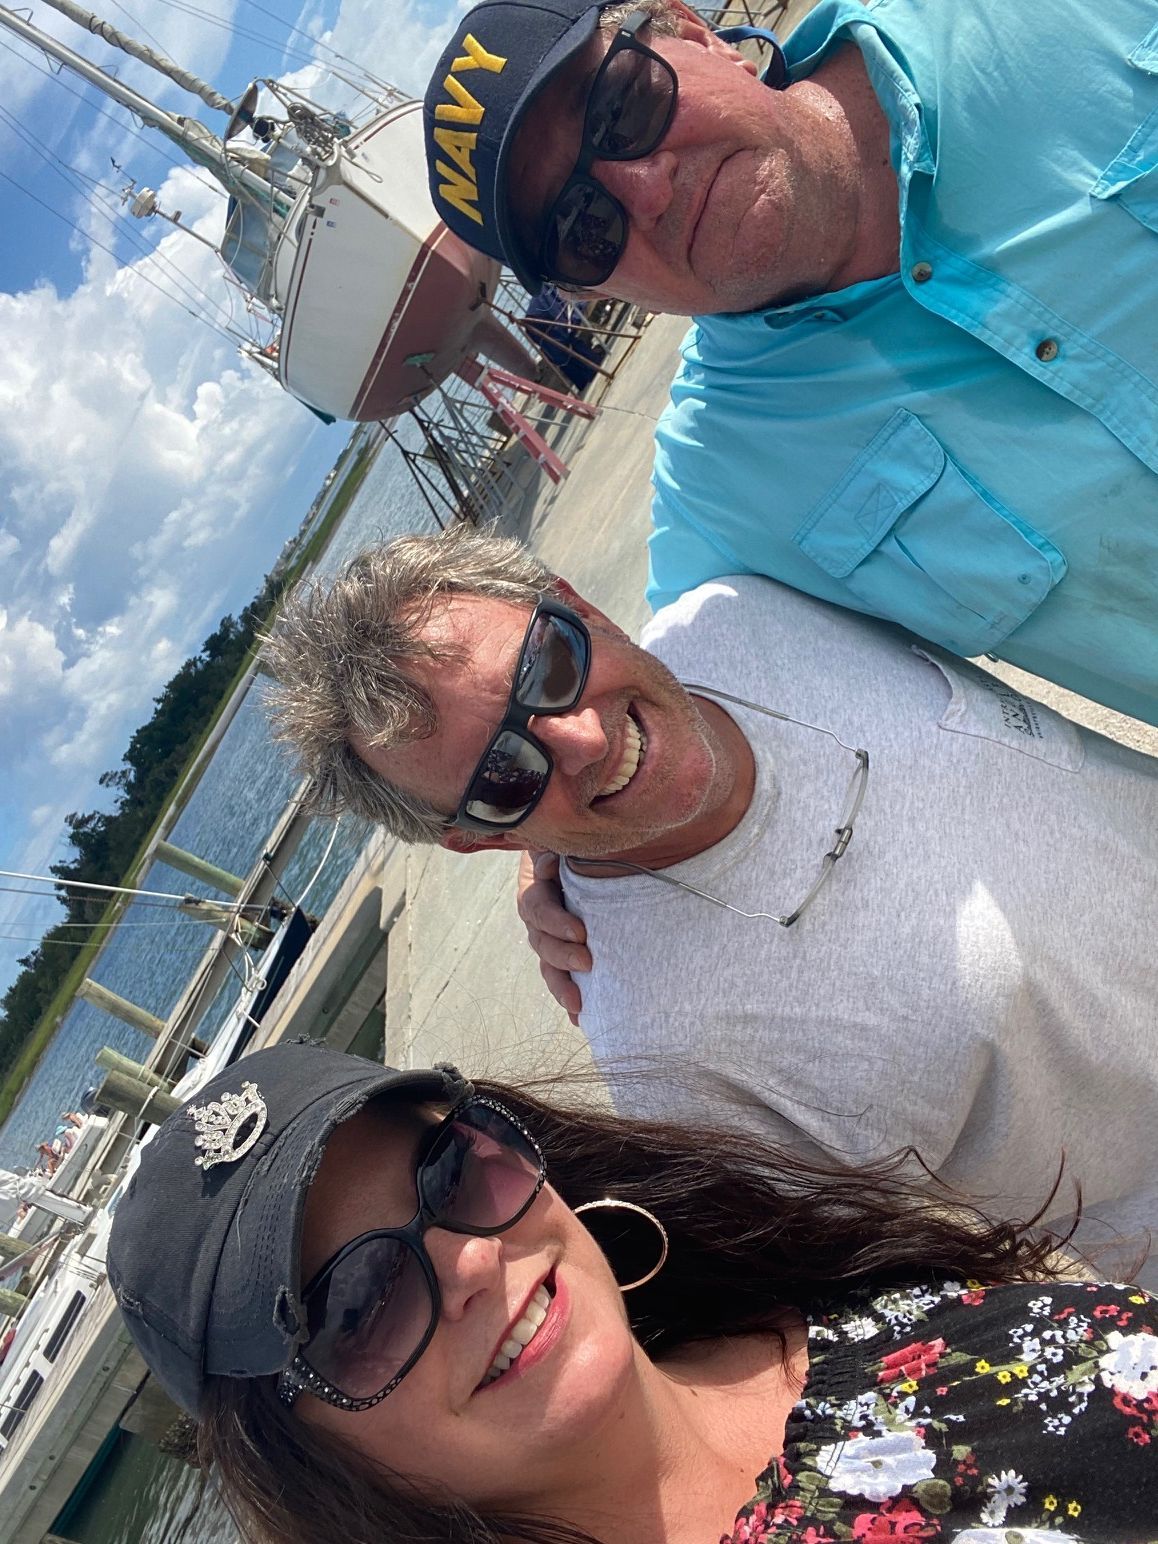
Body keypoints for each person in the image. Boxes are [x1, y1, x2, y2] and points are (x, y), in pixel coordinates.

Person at [262, 528, 1158, 1279]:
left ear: (579, 604)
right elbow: (888, 1289)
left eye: (547, 665)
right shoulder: (675, 1072)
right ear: (482, 837)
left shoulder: (744, 608)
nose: (579, 738)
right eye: (503, 777)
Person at [421, 0, 1158, 728]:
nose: (646, 190)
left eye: (621, 106)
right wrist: (580, 839)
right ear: (593, 287)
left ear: (696, 33)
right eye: (581, 226)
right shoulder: (726, 481)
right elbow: (682, 708)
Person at [106, 1041, 1157, 1544]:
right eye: (358, 1302)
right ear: (306, 1457)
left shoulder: (817, 1288)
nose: (472, 1262)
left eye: (452, 1172)